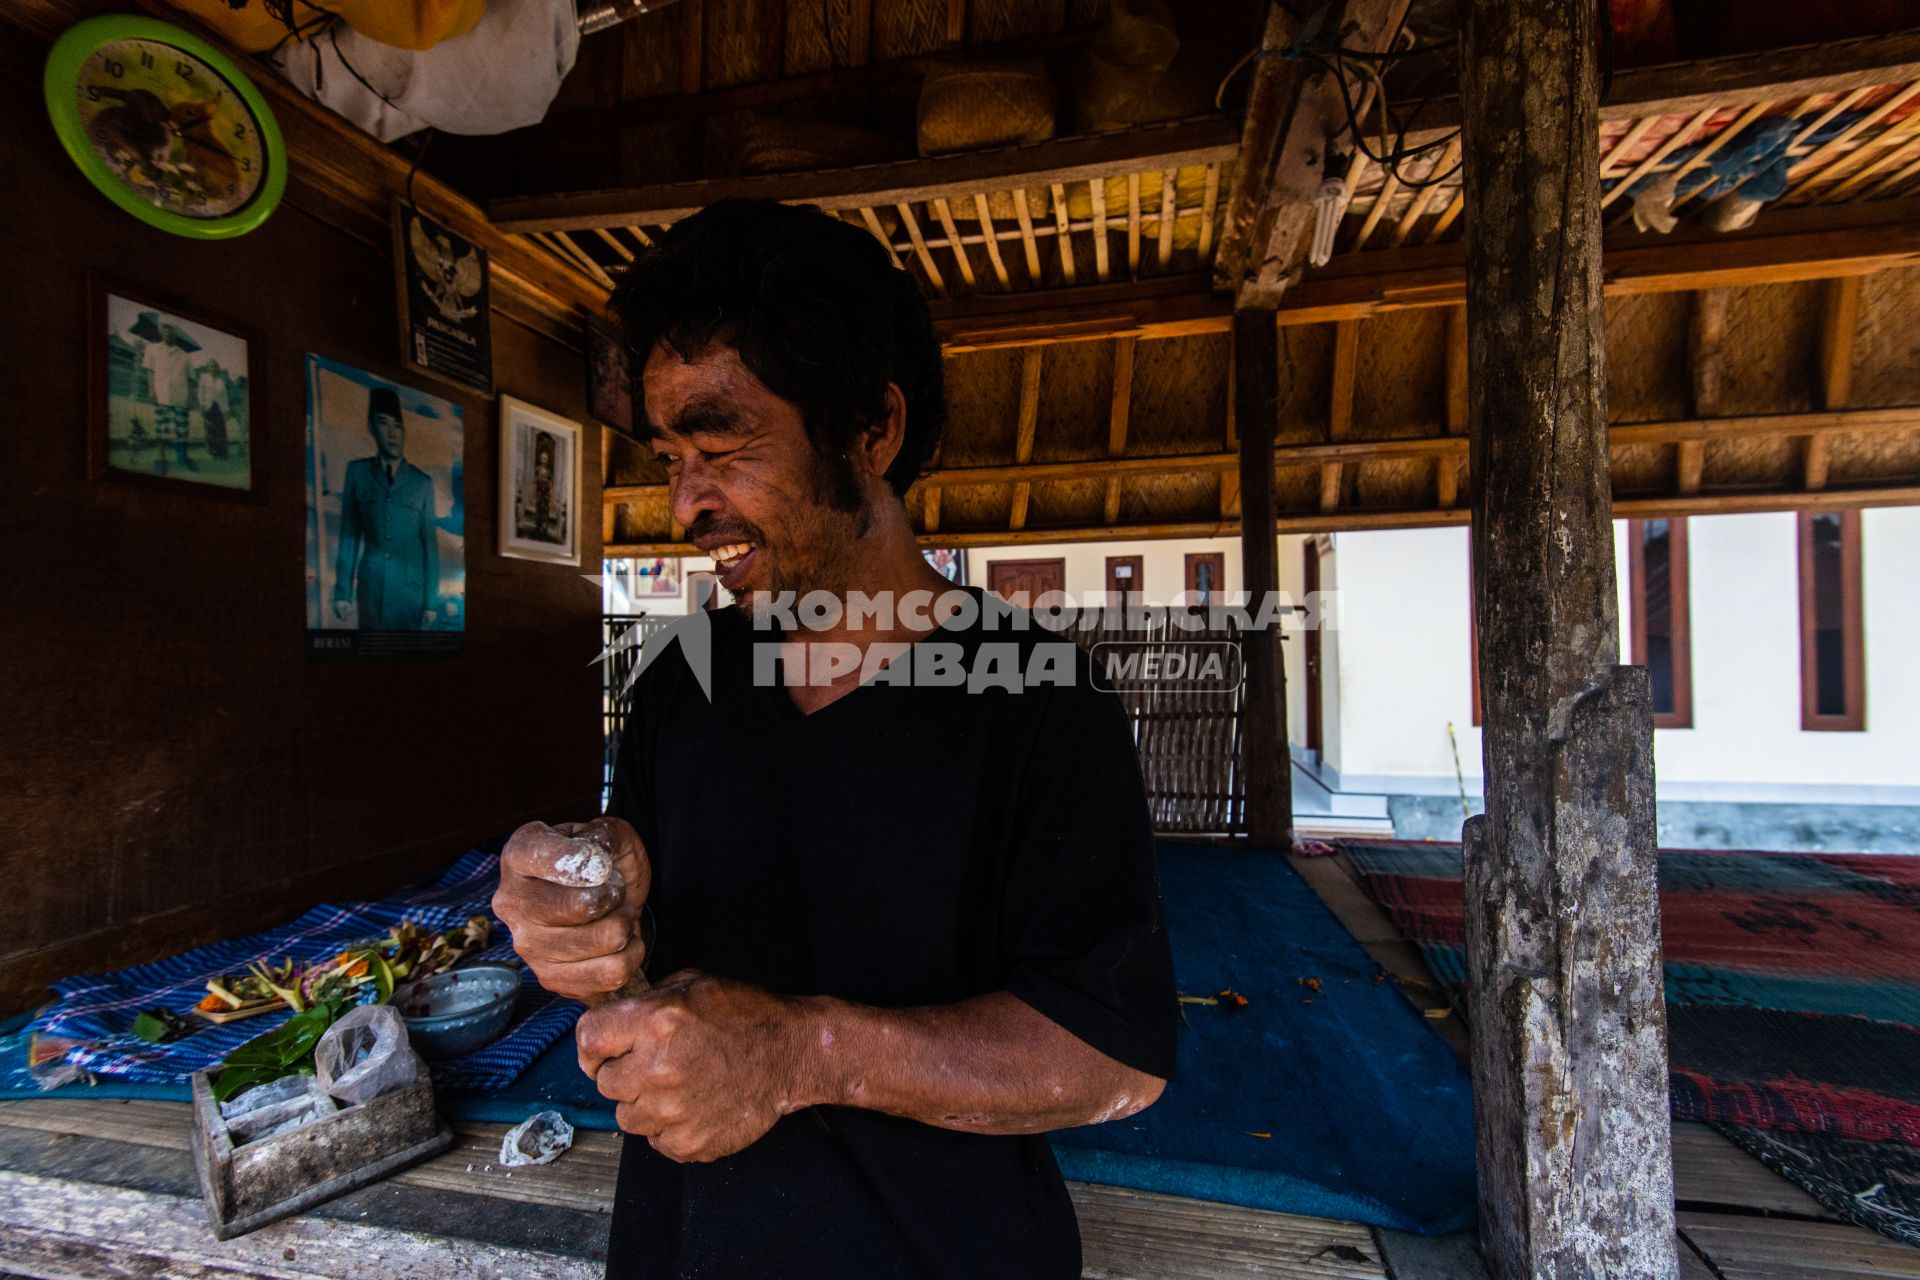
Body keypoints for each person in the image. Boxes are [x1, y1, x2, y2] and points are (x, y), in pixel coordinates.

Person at [492, 199, 1176, 1280]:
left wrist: (800, 1053)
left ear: (872, 431)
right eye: (670, 457)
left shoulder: (1044, 699)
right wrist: (584, 897)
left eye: (721, 446)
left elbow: (1114, 1052)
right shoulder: (686, 673)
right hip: (684, 1247)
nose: (684, 505)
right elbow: (642, 898)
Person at [332, 386, 439, 630]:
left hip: (411, 594)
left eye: (398, 426)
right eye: (384, 423)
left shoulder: (422, 483)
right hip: (371, 590)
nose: (392, 434)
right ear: (371, 427)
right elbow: (349, 535)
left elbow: (430, 549)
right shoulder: (357, 473)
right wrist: (342, 592)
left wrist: (431, 603)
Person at [131, 311, 198, 472]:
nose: (168, 331)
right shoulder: (152, 349)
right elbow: (150, 372)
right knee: (162, 429)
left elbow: (191, 379)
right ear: (160, 329)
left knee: (182, 430)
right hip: (162, 396)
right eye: (165, 327)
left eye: (172, 328)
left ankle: (185, 456)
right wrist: (151, 391)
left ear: (176, 331)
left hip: (181, 397)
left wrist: (191, 398)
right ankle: (161, 458)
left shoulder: (185, 355)